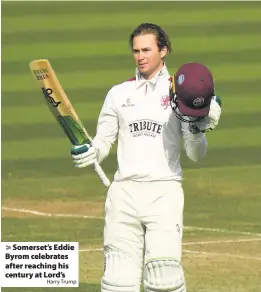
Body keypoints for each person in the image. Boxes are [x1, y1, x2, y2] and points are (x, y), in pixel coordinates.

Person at [71, 23, 221, 292]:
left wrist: (198, 131)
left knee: (163, 278)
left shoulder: (181, 93)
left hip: (164, 192)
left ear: (163, 50)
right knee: (117, 280)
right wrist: (91, 151)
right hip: (123, 193)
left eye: (147, 50)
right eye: (136, 51)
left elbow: (195, 155)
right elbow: (104, 142)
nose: (140, 56)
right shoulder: (118, 94)